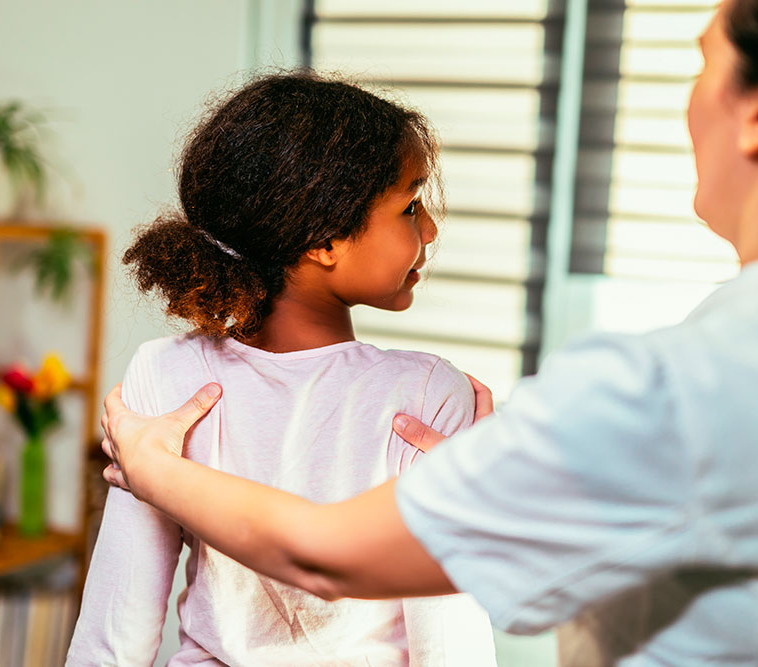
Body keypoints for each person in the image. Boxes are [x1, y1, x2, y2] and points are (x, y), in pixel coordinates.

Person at [99, 0, 758, 663]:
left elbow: (322, 554)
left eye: (703, 60)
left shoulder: (668, 389)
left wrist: (149, 464)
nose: (688, 98)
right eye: (410, 205)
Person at [66, 73, 497, 666]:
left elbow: (115, 629)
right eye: (410, 205)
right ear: (325, 239)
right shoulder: (429, 394)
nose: (429, 229)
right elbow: (450, 642)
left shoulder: (165, 373)